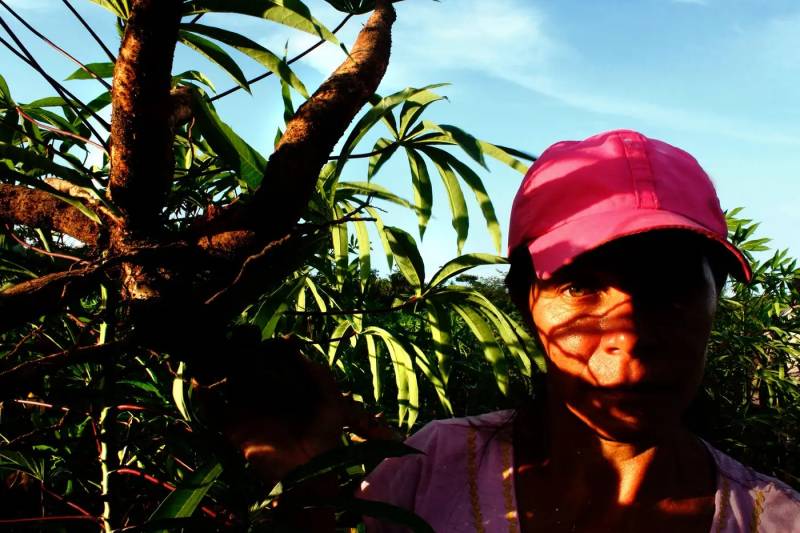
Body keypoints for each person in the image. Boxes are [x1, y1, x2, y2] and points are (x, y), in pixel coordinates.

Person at [222, 129, 800, 532]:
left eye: (670, 288)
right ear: (526, 304)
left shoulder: (778, 521)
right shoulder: (427, 468)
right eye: (580, 287)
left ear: (715, 302)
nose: (629, 334)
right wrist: (310, 492)